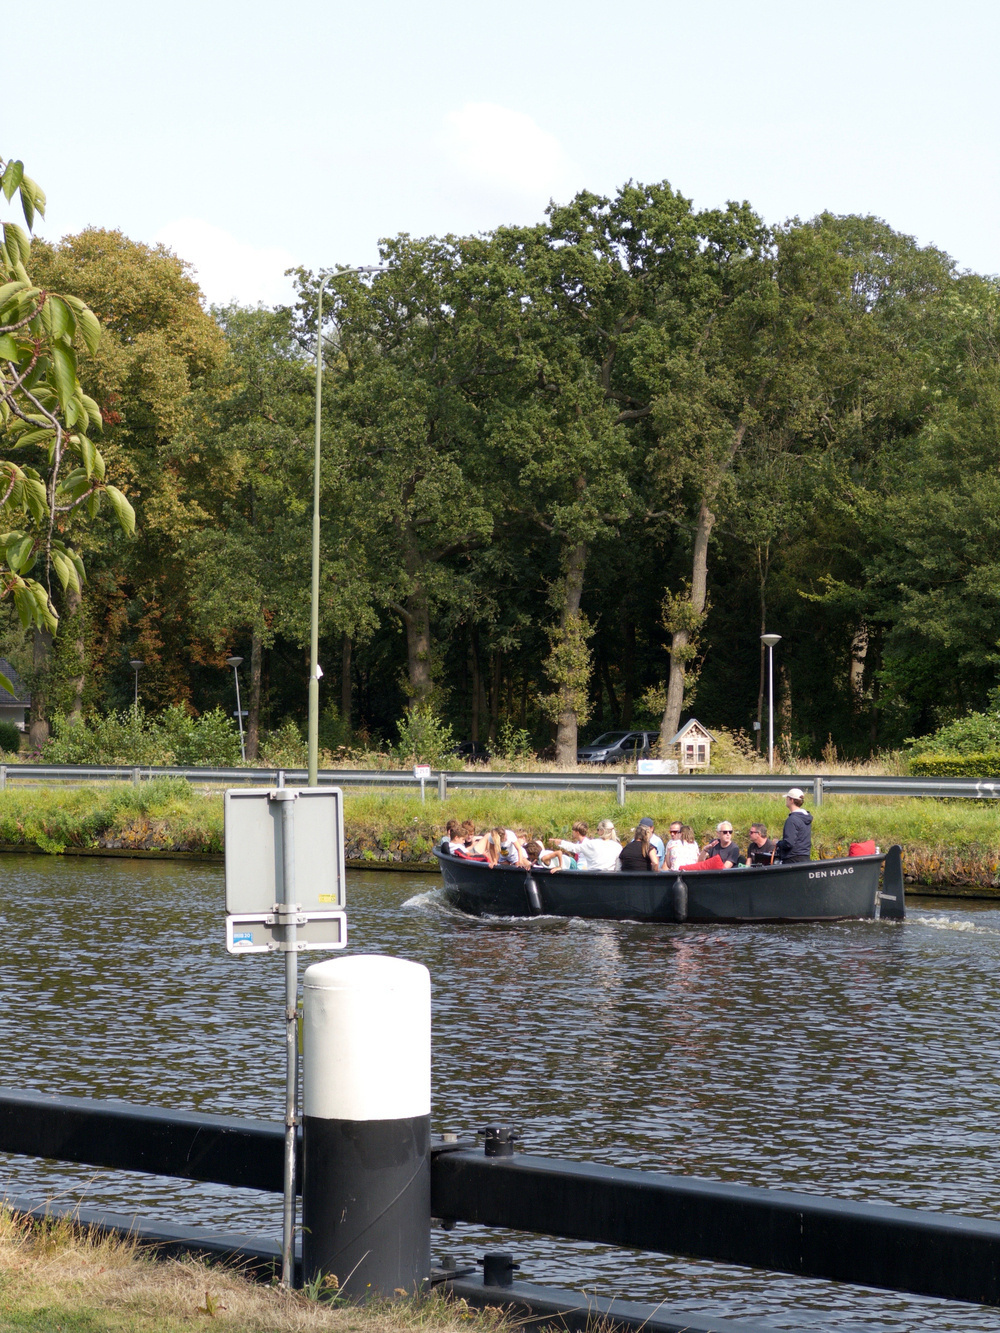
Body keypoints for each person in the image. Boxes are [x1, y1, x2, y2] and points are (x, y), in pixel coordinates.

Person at [550, 818, 622, 872]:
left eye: (598, 829)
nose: (597, 832)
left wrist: (560, 842)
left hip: (591, 877)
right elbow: (618, 866)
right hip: (609, 878)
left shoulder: (592, 844)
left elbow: (574, 848)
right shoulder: (618, 847)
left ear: (602, 831)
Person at [776, 788, 813, 863]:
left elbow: (788, 843)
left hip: (792, 860)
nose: (786, 800)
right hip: (805, 858)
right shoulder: (806, 818)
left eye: (787, 798)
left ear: (791, 800)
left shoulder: (792, 820)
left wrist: (777, 843)